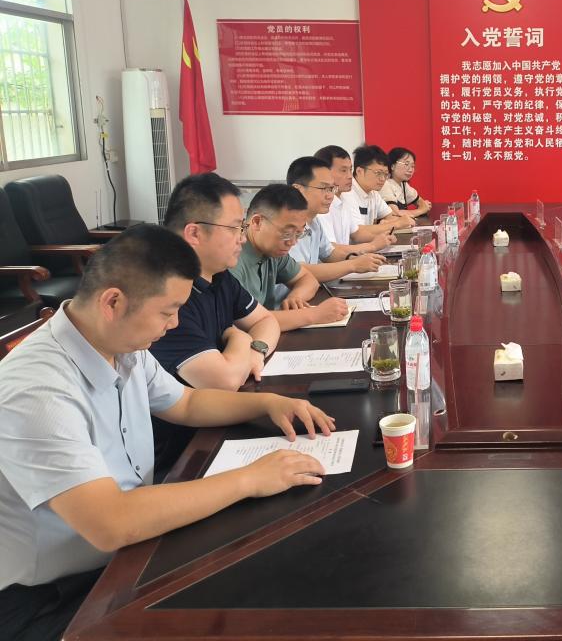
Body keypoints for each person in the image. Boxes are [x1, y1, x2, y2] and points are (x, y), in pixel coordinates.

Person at [0, 225, 333, 641]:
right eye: (166, 311)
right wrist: (250, 479)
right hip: (53, 598)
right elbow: (111, 522)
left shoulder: (121, 346)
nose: (174, 324)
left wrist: (268, 403)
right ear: (113, 302)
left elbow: (187, 403)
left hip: (130, 553)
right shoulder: (37, 390)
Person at [152, 173, 283, 473]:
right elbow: (224, 382)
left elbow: (266, 320)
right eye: (235, 228)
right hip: (179, 456)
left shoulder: (220, 276)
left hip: (213, 426)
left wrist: (256, 349)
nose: (242, 238)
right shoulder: (166, 298)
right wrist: (239, 337)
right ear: (194, 233)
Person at [229, 184, 348, 332]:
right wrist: (315, 314)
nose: (292, 242)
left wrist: (295, 298)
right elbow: (247, 321)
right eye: (287, 233)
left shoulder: (273, 251)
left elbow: (308, 279)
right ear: (257, 222)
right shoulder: (232, 258)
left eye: (298, 234)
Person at [286, 155, 390, 283]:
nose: (330, 196)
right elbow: (299, 271)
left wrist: (354, 259)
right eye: (323, 188)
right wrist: (353, 265)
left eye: (331, 189)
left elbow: (329, 253)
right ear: (298, 190)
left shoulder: (314, 221)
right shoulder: (287, 224)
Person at [343, 144, 416, 243]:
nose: (383, 179)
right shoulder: (347, 193)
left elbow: (391, 216)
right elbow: (358, 233)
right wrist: (396, 224)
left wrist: (390, 222)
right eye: (378, 173)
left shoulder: (373, 192)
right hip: (352, 250)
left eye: (385, 174)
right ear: (359, 171)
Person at [382, 147, 432, 218]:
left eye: (412, 166)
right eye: (406, 164)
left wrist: (423, 207)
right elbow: (395, 213)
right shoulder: (385, 184)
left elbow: (421, 202)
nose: (410, 170)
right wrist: (421, 210)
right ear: (392, 166)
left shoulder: (403, 184)